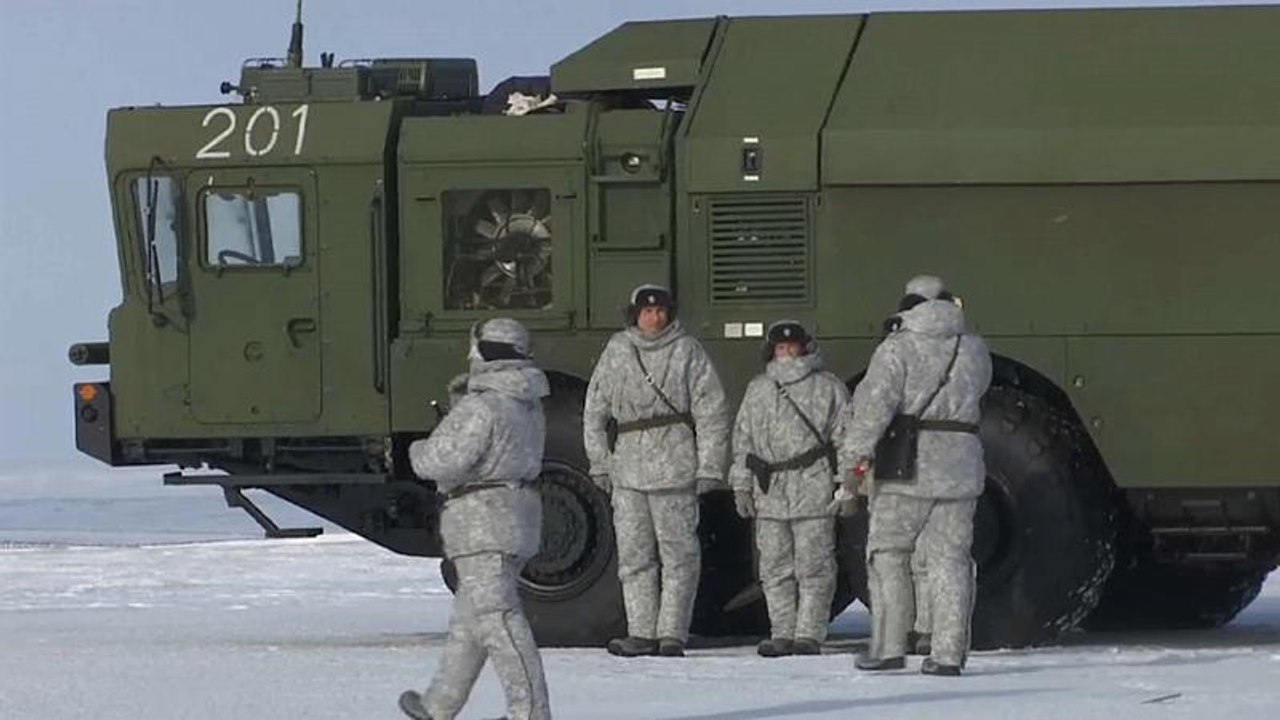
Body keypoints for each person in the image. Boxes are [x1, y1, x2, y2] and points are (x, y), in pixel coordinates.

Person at [399, 318, 552, 720]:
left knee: (499, 621)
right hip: (512, 518)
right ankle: (438, 705)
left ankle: (530, 712)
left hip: (482, 522)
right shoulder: (527, 401)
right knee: (471, 625)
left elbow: (441, 460)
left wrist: (418, 448)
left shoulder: (482, 405)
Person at [840, 275, 991, 676]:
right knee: (952, 562)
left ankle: (890, 647)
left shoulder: (897, 348)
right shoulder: (974, 349)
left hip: (906, 466)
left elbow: (872, 411)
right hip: (961, 466)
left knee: (888, 554)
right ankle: (948, 654)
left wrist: (851, 468)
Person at [583, 283, 730, 658]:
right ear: (636, 314)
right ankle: (641, 631)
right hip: (628, 468)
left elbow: (712, 411)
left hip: (675, 465)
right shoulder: (618, 351)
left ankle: (672, 633)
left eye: (662, 310)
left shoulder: (687, 350)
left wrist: (710, 466)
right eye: (648, 311)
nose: (656, 317)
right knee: (634, 557)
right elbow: (595, 410)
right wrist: (600, 462)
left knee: (679, 556)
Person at [729, 320, 849, 657]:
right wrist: (741, 484)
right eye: (781, 348)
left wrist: (848, 485)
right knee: (774, 567)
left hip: (812, 483)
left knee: (815, 565)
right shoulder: (758, 390)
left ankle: (809, 633)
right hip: (770, 488)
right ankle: (782, 631)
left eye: (793, 347)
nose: (787, 353)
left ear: (805, 347)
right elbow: (744, 442)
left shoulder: (828, 388)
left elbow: (846, 439)